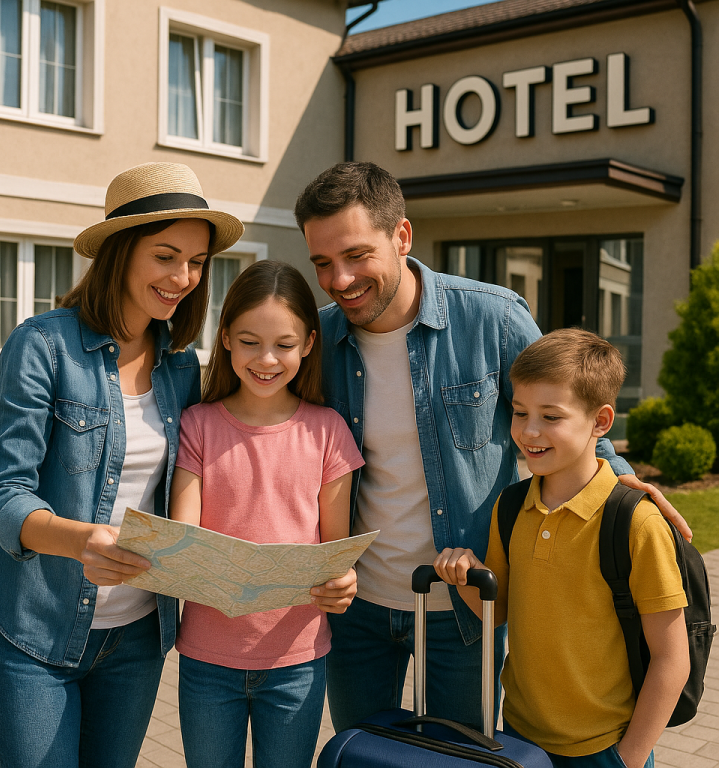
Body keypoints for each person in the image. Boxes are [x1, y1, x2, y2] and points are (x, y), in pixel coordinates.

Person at [293, 160, 689, 733]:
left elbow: (564, 409)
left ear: (402, 236)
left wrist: (625, 487)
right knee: (363, 754)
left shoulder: (492, 316)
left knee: (465, 757)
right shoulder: (320, 340)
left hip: (465, 604)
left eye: (356, 256)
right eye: (323, 263)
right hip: (357, 610)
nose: (339, 280)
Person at [0, 162, 244, 768]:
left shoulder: (179, 365)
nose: (183, 278)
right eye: (166, 256)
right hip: (34, 633)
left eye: (196, 262)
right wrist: (80, 540)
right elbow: (2, 494)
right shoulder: (43, 346)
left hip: (137, 640)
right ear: (121, 253)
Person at [434, 329, 689, 768]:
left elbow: (672, 660)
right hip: (518, 738)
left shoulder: (637, 523)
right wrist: (466, 576)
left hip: (605, 749)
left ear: (601, 422)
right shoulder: (512, 505)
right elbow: (501, 611)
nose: (529, 431)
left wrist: (627, 759)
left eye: (551, 417)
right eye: (519, 413)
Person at [169, 260, 365, 768]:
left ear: (308, 345)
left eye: (284, 344)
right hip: (207, 658)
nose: (267, 358)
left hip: (296, 660)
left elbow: (336, 555)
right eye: (251, 340)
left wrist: (342, 583)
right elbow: (185, 538)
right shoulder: (197, 424)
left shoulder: (329, 432)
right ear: (227, 338)